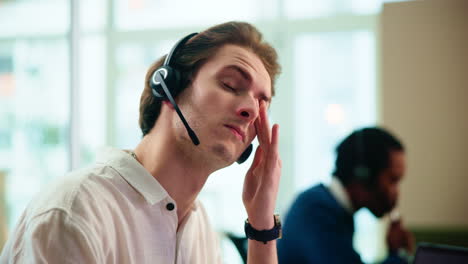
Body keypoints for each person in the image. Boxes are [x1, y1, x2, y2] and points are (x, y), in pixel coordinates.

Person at [1, 21, 283, 263]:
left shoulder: (198, 226)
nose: (250, 109)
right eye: (231, 85)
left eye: (262, 103)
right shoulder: (76, 212)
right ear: (169, 87)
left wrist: (261, 225)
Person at [277, 127, 414, 264]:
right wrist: (398, 254)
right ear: (364, 175)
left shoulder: (333, 208)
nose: (397, 193)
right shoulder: (316, 209)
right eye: (393, 181)